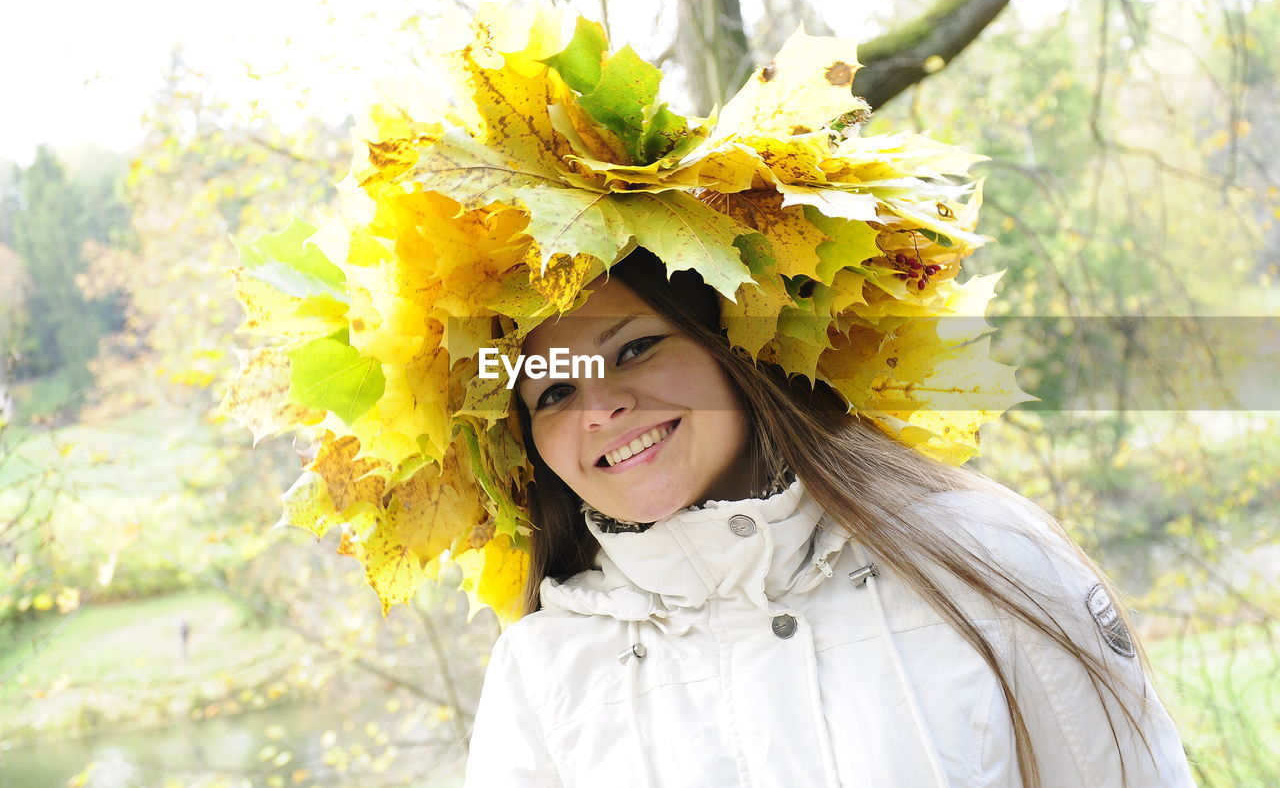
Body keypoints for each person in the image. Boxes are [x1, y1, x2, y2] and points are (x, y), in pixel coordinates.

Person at [461, 247, 1196, 788]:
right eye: (552, 394)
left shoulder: (984, 556)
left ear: (735, 343)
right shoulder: (543, 673)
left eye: (635, 348)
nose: (601, 408)